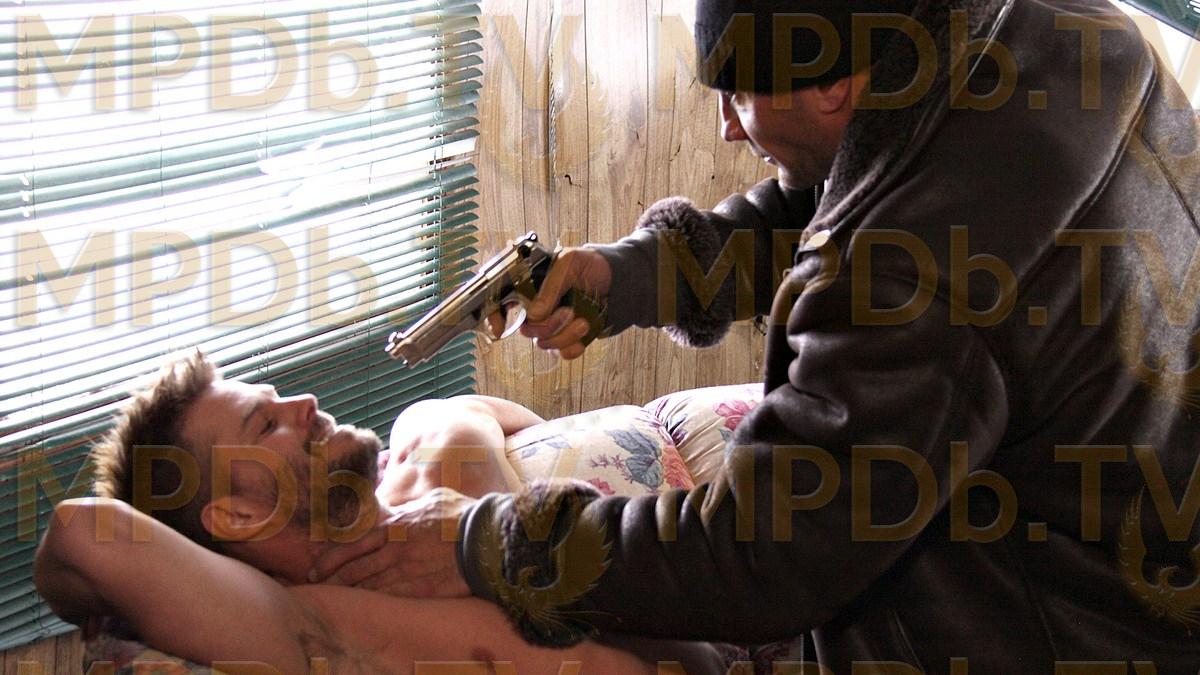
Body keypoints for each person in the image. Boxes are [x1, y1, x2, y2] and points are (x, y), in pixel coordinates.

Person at [311, 0, 1200, 671]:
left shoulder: (905, 277)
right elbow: (856, 194)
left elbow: (765, 554)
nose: (728, 127)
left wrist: (488, 545)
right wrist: (627, 278)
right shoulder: (1066, 29)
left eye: (739, 94)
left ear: (832, 83)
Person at [33, 352, 727, 673]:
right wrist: (100, 602)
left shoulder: (430, 449)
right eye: (265, 423)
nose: (304, 403)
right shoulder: (306, 618)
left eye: (278, 396)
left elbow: (481, 410)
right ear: (236, 517)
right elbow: (82, 531)